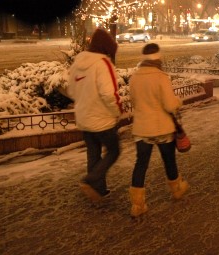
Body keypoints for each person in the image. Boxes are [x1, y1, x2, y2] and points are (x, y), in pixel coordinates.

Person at [128, 43, 189, 218]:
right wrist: (178, 101)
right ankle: (177, 189)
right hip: (162, 128)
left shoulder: (134, 78)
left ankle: (137, 205)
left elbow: (133, 102)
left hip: (142, 129)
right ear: (158, 58)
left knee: (141, 164)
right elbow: (170, 105)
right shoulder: (161, 77)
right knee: (169, 160)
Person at [67, 28, 123, 204]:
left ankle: (98, 191)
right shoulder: (103, 64)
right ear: (107, 48)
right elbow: (109, 94)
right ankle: (90, 180)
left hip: (84, 119)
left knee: (94, 154)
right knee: (114, 151)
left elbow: (71, 90)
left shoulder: (77, 64)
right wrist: (118, 112)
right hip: (102, 120)